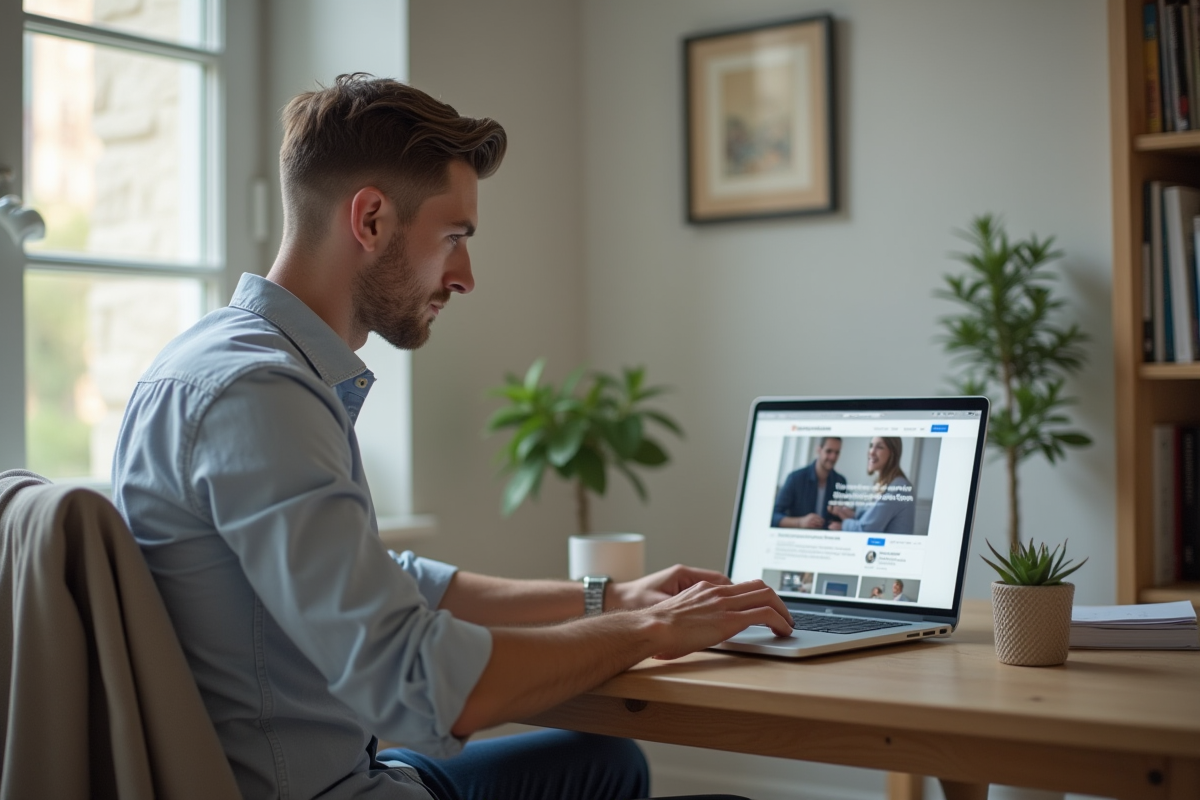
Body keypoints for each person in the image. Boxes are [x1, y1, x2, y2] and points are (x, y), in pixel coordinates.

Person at [111, 74, 792, 800]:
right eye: (455, 238)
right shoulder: (260, 395)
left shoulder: (222, 363)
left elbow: (396, 584)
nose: (465, 277)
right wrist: (654, 632)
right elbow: (420, 681)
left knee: (610, 761)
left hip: (347, 771)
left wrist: (612, 599)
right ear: (370, 219)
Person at [827, 437, 915, 535]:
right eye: (871, 446)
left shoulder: (898, 487)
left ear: (892, 453)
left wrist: (843, 525)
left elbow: (866, 529)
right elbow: (871, 519)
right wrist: (851, 515)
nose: (871, 452)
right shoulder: (882, 484)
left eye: (880, 447)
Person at [771, 437, 846, 529]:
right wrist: (800, 522)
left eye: (837, 453)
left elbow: (840, 519)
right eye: (829, 451)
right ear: (819, 450)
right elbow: (773, 516)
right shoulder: (795, 478)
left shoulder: (840, 481)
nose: (833, 457)